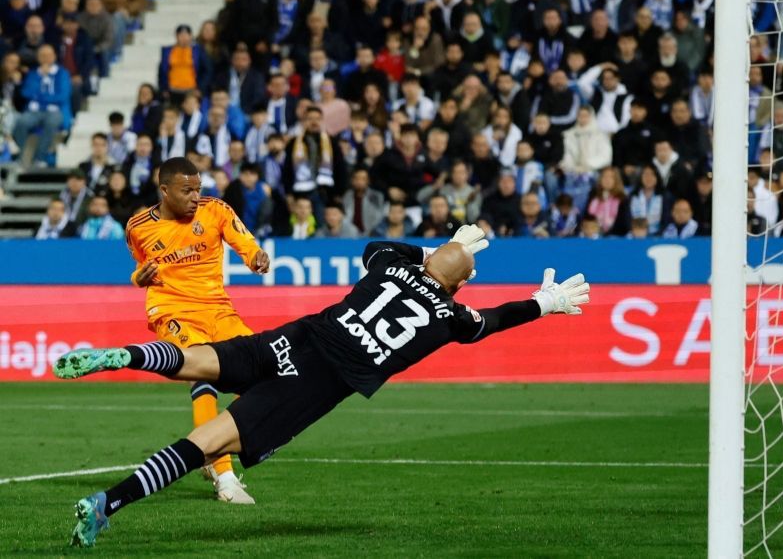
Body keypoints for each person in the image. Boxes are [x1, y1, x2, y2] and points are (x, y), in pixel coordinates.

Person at [57, 230, 590, 548]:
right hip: (317, 381)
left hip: (300, 336)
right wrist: (543, 304)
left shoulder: (389, 267)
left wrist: (432, 246)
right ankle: (107, 503)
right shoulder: (451, 314)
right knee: (210, 442)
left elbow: (375, 247)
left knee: (199, 361)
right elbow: (491, 321)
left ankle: (125, 356)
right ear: (460, 284)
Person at [123, 157, 270, 505]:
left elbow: (245, 242)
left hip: (218, 309)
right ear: (164, 191)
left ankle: (210, 453)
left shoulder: (215, 210)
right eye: (187, 190)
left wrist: (256, 257)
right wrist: (137, 278)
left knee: (264, 375)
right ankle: (225, 475)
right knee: (202, 374)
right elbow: (140, 267)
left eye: (198, 189)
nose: (195, 196)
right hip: (174, 310)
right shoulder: (138, 226)